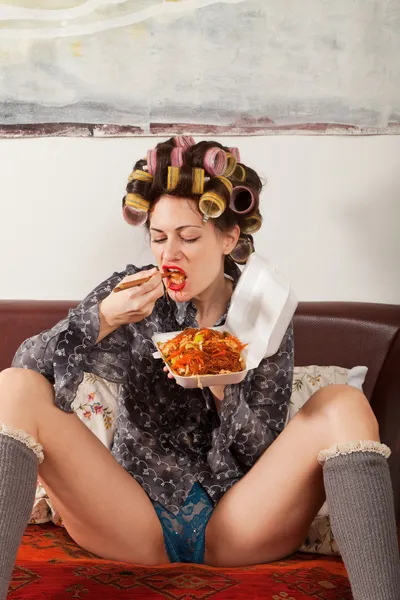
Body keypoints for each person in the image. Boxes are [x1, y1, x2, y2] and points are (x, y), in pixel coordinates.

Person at [0, 137, 398, 600]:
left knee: (343, 403)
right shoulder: (130, 293)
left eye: (188, 237)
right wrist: (105, 316)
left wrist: (224, 391)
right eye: (158, 237)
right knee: (14, 386)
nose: (171, 255)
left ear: (228, 238)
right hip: (130, 517)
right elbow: (28, 364)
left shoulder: (264, 314)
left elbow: (263, 452)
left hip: (240, 523)